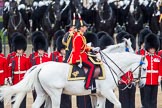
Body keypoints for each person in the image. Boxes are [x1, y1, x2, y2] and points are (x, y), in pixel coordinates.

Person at [7, 32, 29, 108]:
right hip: (15, 81)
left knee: (23, 99)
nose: (19, 51)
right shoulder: (12, 59)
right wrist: (9, 79)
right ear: (16, 49)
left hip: (23, 80)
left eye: (21, 50)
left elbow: (28, 70)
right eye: (18, 50)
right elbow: (9, 70)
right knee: (14, 98)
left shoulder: (26, 59)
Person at [28, 31, 49, 105]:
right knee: (35, 95)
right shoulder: (32, 57)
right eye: (39, 50)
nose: (41, 51)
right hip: (35, 79)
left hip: (44, 80)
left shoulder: (47, 57)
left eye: (42, 50)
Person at [116, 32, 136, 108]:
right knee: (123, 102)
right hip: (122, 81)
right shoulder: (118, 54)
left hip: (131, 81)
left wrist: (130, 46)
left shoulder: (131, 52)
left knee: (132, 102)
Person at [144, 33, 162, 108]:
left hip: (155, 81)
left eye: (153, 48)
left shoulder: (158, 58)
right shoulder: (144, 58)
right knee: (147, 99)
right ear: (148, 48)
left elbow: (160, 69)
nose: (152, 49)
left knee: (154, 99)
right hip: (147, 81)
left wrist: (159, 79)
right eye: (151, 48)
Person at [137, 27, 152, 108]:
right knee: (143, 95)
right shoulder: (139, 53)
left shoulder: (153, 53)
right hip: (142, 77)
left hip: (151, 78)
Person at [0, 39, 8, 108]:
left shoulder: (3, 59)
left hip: (1, 79)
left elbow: (6, 70)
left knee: (1, 97)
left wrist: (5, 79)